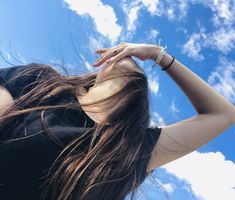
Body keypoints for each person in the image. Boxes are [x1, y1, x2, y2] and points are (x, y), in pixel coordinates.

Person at [0, 42, 234, 200]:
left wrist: (157, 54)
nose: (129, 55)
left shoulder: (131, 147)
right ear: (100, 67)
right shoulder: (43, 82)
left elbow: (224, 115)